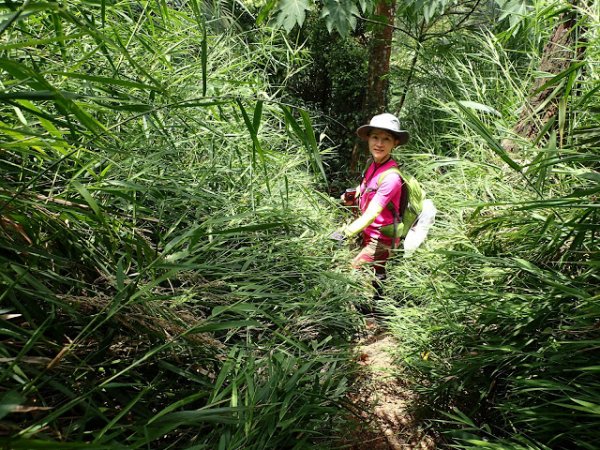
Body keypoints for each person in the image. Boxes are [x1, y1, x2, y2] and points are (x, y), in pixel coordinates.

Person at [331, 113, 409, 299]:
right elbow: (364, 187)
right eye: (375, 137)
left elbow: (372, 214)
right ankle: (377, 309)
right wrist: (352, 196)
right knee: (376, 271)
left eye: (386, 139)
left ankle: (371, 312)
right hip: (368, 232)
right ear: (368, 138)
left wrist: (345, 232)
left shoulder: (391, 178)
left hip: (382, 237)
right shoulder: (372, 164)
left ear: (395, 143)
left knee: (355, 268)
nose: (379, 144)